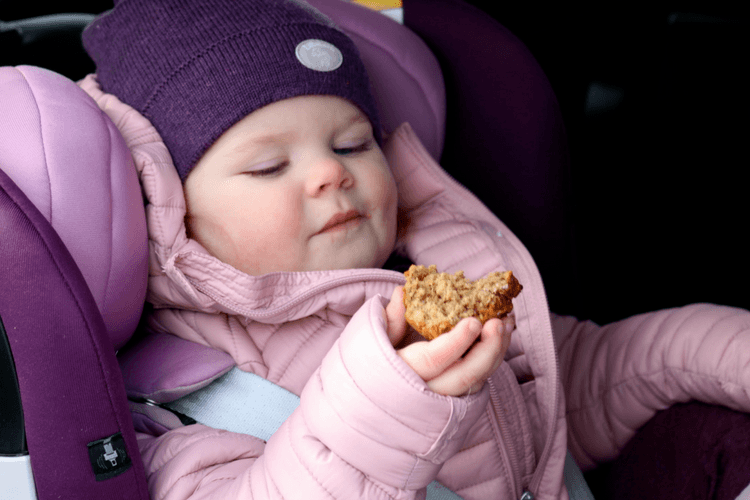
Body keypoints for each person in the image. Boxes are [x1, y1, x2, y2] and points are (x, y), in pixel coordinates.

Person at [78, 0, 750, 498]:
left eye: (351, 144)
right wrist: (391, 399)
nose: (331, 174)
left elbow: (596, 372)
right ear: (166, 213)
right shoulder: (174, 394)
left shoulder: (424, 282)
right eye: (268, 168)